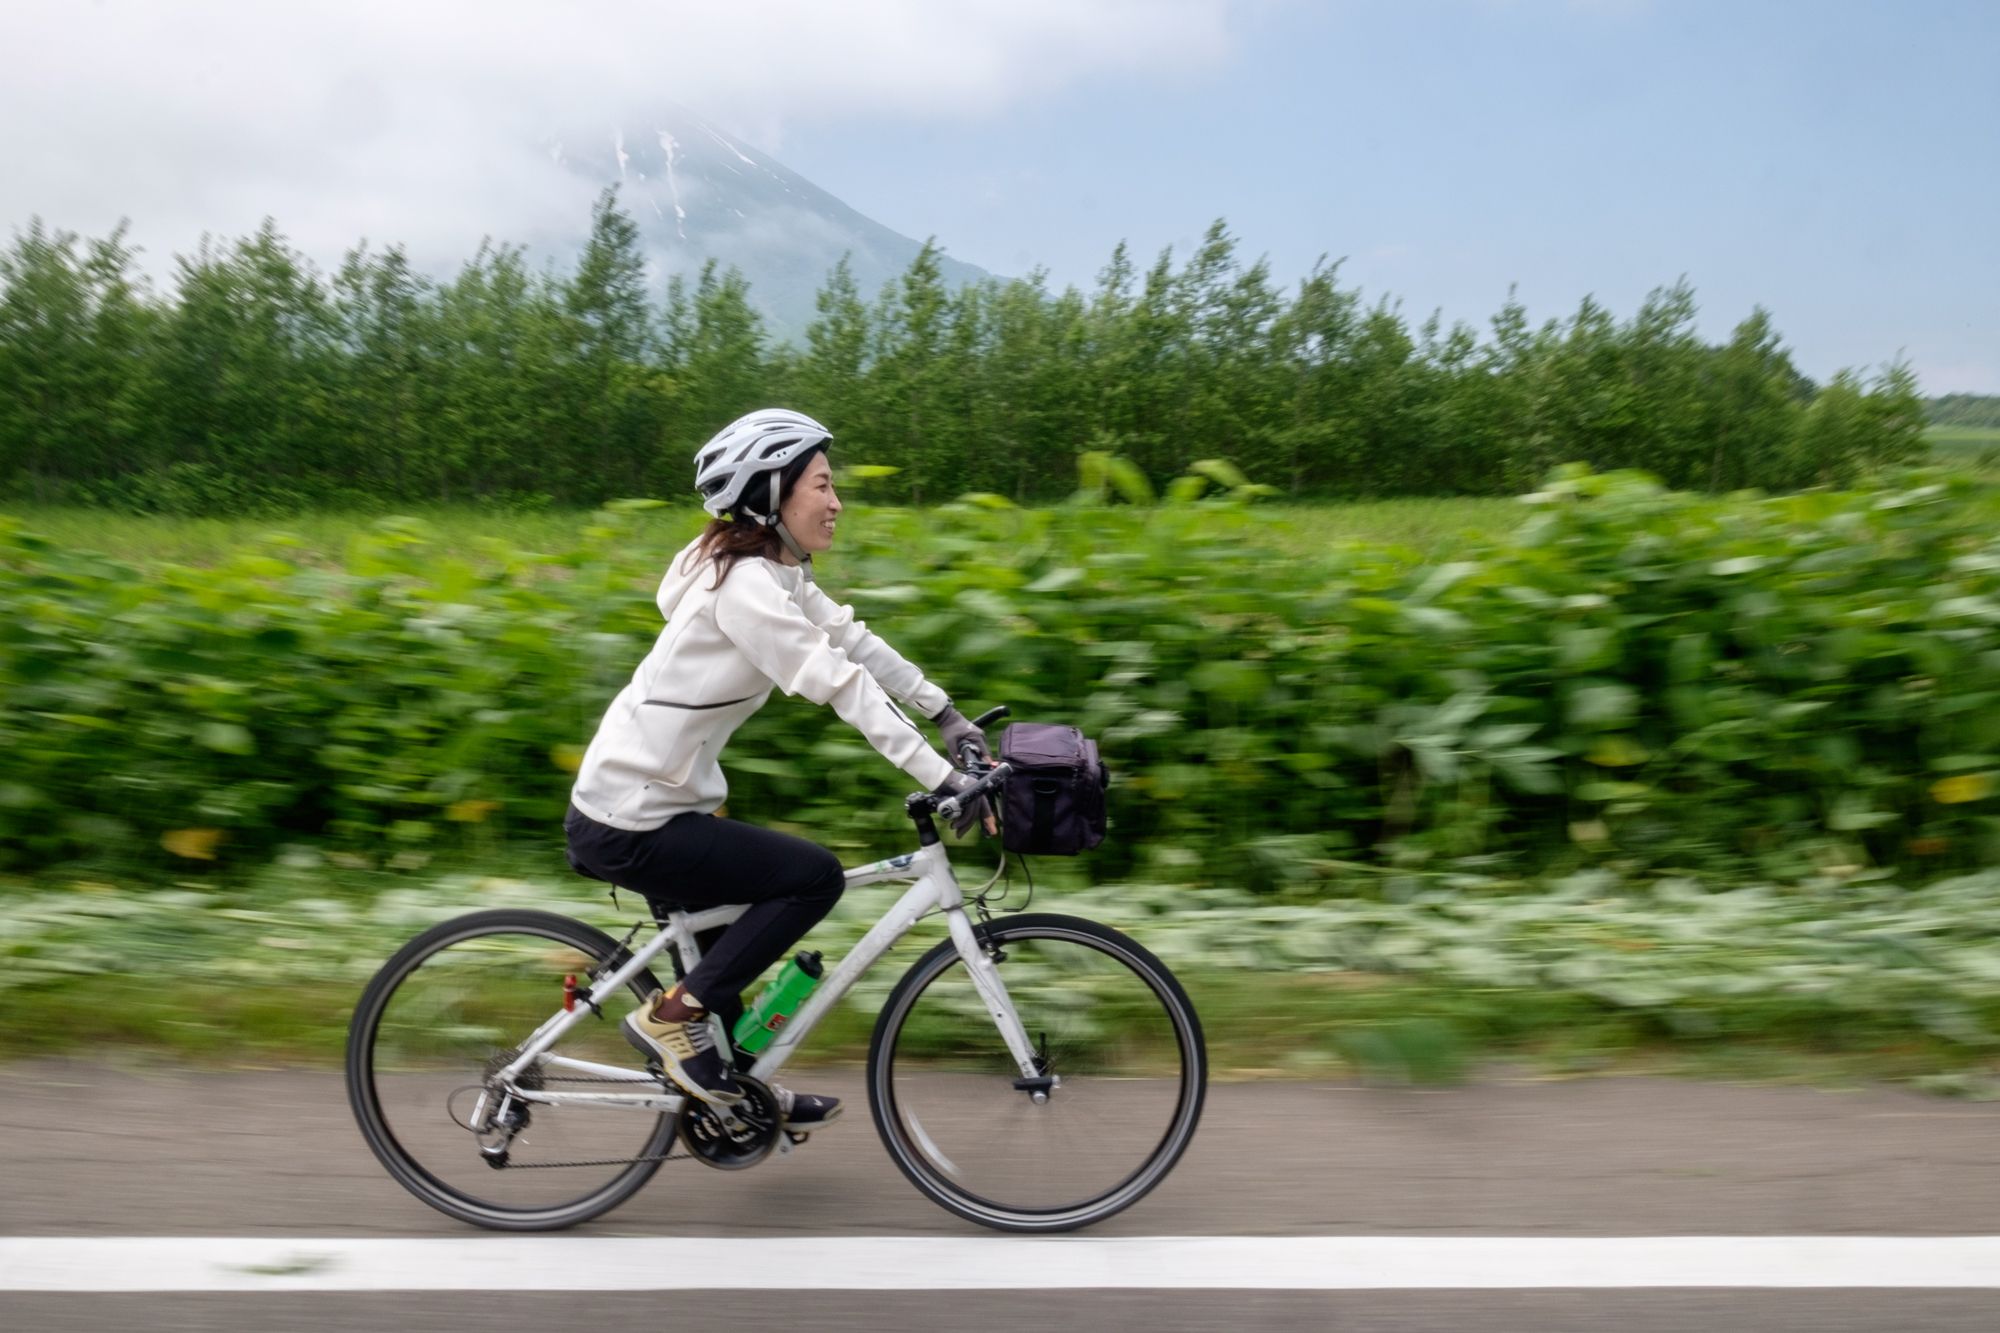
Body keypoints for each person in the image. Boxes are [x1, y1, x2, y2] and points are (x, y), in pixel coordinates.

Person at [562, 407, 994, 1128]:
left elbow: (855, 643)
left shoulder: (765, 570)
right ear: (771, 494)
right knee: (811, 877)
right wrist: (941, 777)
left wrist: (946, 713)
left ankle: (737, 1091)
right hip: (632, 819)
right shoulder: (746, 589)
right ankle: (671, 1019)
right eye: (821, 484)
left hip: (655, 803)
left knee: (720, 967)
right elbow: (841, 684)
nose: (836, 501)